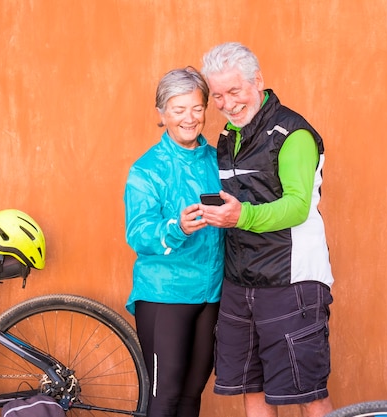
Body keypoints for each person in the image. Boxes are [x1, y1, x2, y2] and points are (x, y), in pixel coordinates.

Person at [199, 42, 335, 417]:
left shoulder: (294, 134)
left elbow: (296, 205)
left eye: (235, 91)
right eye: (218, 96)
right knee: (252, 387)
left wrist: (240, 217)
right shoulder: (229, 136)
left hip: (292, 283)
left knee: (308, 391)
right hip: (241, 284)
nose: (227, 104)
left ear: (257, 81)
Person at [124, 66, 224, 417]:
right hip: (164, 294)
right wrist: (175, 228)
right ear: (161, 114)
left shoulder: (218, 160)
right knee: (164, 395)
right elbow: (137, 232)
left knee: (191, 393)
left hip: (211, 294)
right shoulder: (147, 170)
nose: (189, 118)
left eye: (196, 108)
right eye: (179, 110)